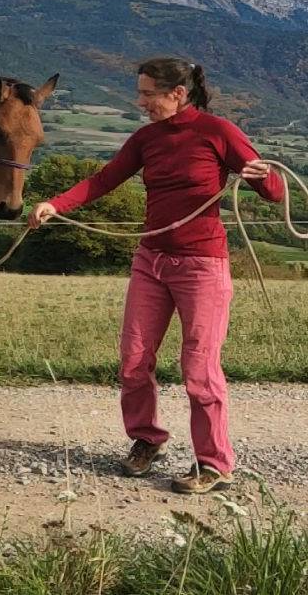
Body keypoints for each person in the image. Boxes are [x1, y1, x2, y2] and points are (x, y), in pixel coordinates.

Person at [28, 58, 284, 494]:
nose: (140, 101)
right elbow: (104, 180)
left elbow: (275, 191)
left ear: (177, 94)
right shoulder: (145, 138)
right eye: (141, 93)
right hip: (151, 260)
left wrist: (263, 178)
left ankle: (213, 463)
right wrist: (56, 204)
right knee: (133, 359)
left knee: (199, 368)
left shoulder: (218, 131)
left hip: (202, 265)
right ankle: (147, 439)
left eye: (147, 94)